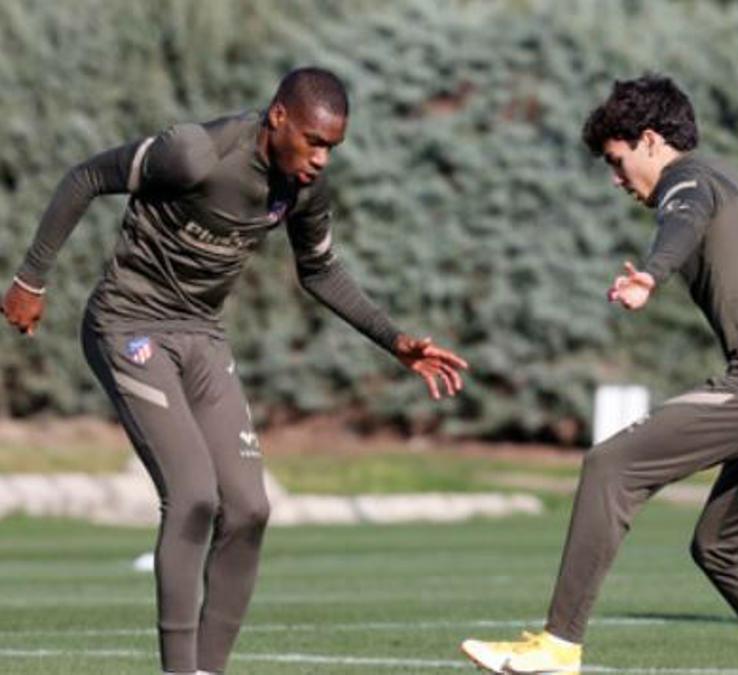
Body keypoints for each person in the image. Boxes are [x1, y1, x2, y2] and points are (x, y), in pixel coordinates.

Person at [1, 67, 468, 674]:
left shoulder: (302, 186)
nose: (322, 158)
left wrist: (393, 340)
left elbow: (319, 271)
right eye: (314, 140)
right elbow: (87, 176)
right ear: (278, 117)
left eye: (332, 147)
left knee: (249, 507)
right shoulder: (194, 155)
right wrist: (30, 279)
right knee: (194, 495)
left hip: (201, 336)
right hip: (128, 325)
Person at [460, 74, 738, 675]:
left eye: (617, 163)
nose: (618, 181)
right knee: (724, 547)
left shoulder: (688, 179)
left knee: (610, 467)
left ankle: (559, 645)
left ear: (649, 140)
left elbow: (683, 217)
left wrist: (651, 274)